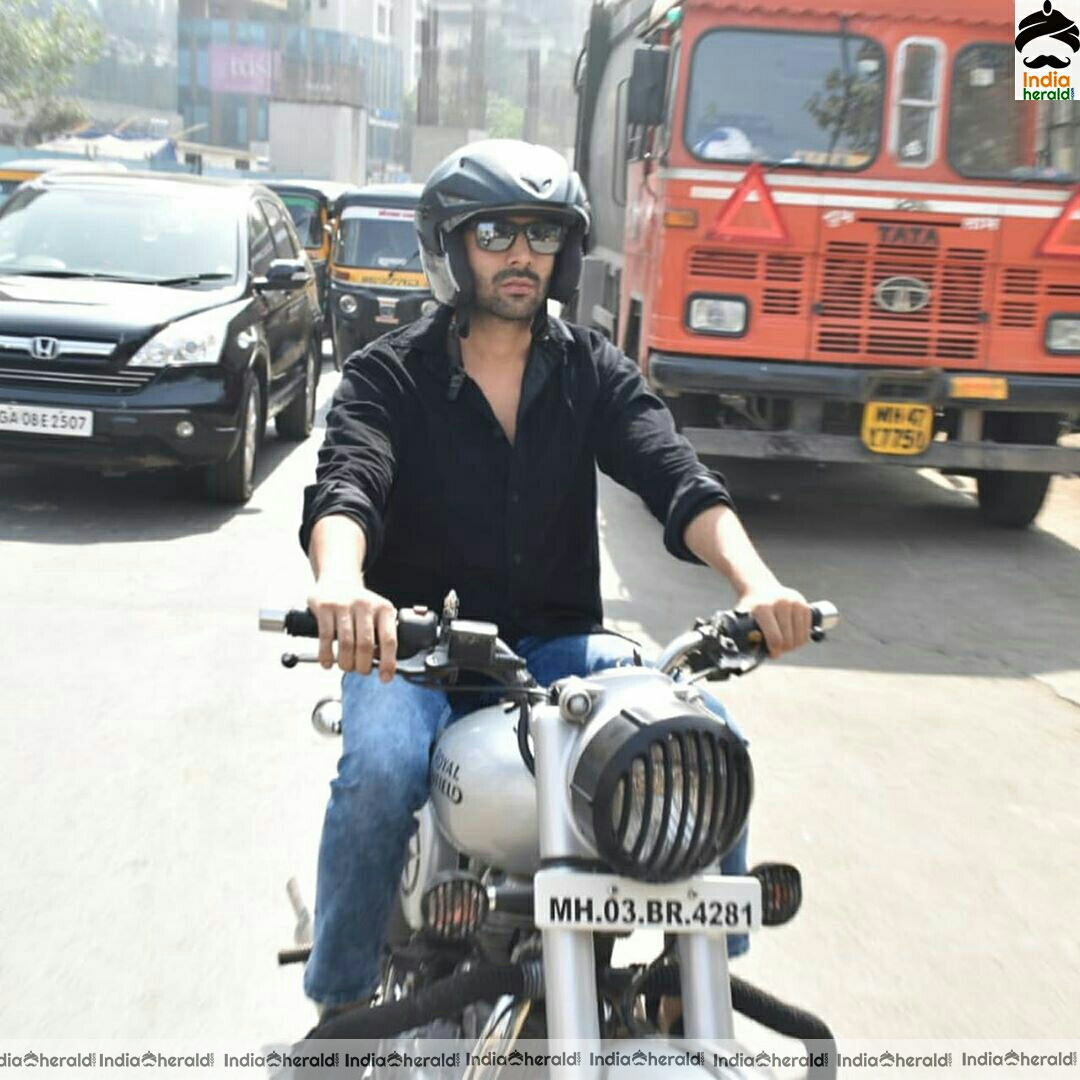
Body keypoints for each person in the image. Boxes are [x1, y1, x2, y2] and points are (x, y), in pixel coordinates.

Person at [298, 139, 814, 1017]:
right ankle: (342, 1008)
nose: (520, 254)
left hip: (556, 643)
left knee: (705, 730)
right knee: (381, 769)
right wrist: (343, 583)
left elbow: (677, 476)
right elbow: (349, 483)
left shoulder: (592, 369)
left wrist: (757, 582)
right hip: (416, 648)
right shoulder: (390, 374)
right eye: (495, 231)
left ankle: (702, 982)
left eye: (541, 234)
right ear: (451, 247)